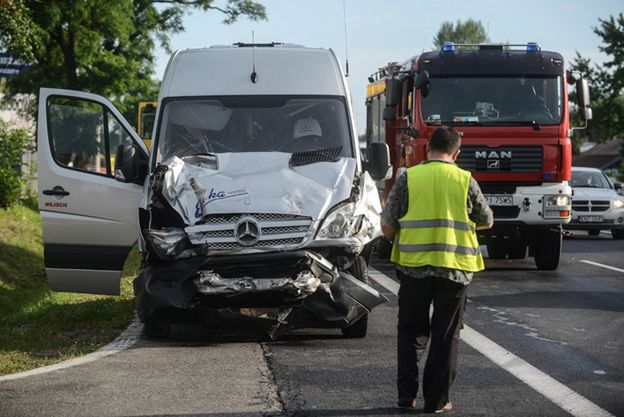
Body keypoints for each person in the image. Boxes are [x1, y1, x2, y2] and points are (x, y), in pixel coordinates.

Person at [380, 126, 493, 413]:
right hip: (454, 270)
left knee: (410, 331)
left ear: (427, 148)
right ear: (456, 153)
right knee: (445, 335)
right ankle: (437, 401)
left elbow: (387, 224)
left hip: (414, 269)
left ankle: (406, 397)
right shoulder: (465, 180)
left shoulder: (409, 178)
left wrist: (401, 240)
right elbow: (486, 220)